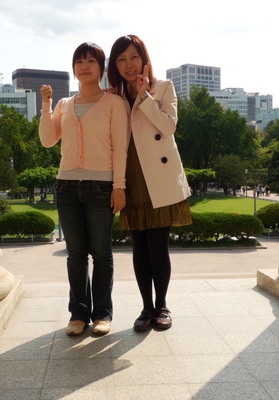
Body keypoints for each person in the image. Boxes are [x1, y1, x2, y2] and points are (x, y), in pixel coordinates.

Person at [39, 42, 129, 337]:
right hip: (66, 186)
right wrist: (46, 105)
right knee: (76, 255)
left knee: (101, 253)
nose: (84, 66)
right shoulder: (65, 104)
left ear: (101, 67)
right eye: (79, 61)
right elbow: (47, 140)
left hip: (101, 187)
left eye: (90, 61)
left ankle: (102, 314)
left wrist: (119, 186)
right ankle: (78, 314)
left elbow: (120, 148)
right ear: (74, 68)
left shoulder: (113, 103)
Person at [108, 35, 192, 332]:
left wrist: (145, 97)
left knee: (158, 246)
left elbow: (168, 126)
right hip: (131, 176)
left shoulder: (163, 88)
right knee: (139, 247)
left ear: (144, 59)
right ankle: (146, 308)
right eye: (121, 59)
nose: (128, 64)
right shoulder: (115, 97)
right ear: (115, 66)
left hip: (159, 176)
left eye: (133, 56)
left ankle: (162, 306)